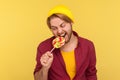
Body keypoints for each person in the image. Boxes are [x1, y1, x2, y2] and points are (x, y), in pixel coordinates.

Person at [34, 5, 97, 80]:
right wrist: (45, 68)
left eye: (62, 25)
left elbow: (91, 75)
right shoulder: (44, 47)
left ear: (71, 22)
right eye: (54, 28)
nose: (59, 31)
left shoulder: (88, 45)